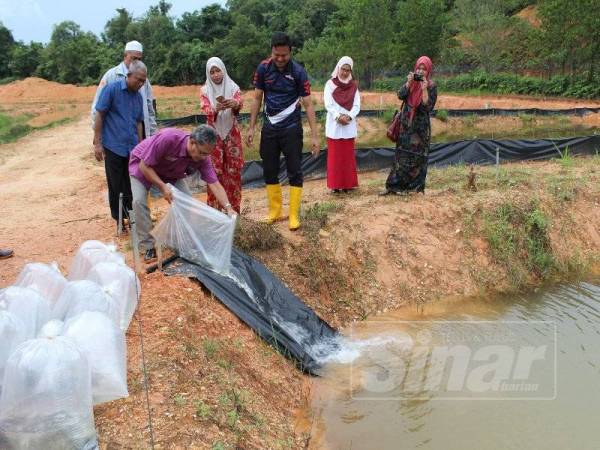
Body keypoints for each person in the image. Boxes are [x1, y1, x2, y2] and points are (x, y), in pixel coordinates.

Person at [246, 32, 320, 231]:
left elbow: (308, 104)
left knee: (295, 170)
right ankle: (275, 211)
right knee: (269, 169)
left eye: (284, 55)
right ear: (271, 51)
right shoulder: (263, 69)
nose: (279, 59)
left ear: (290, 52)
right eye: (276, 55)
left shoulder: (298, 72)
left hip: (291, 129)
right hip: (270, 128)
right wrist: (252, 127)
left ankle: (294, 215)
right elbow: (256, 98)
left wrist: (314, 135)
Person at [129, 125, 236, 262]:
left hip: (171, 173)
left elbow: (214, 183)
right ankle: (147, 245)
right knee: (139, 202)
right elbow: (144, 166)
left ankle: (178, 239)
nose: (204, 157)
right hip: (143, 165)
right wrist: (162, 187)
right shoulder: (168, 139)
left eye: (207, 154)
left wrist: (228, 207)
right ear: (192, 142)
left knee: (187, 203)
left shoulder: (203, 158)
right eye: (202, 153)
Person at [93, 60, 147, 229]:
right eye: (138, 79)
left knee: (131, 184)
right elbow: (100, 115)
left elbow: (139, 123)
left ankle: (131, 218)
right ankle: (119, 220)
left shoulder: (138, 97)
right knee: (115, 184)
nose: (141, 83)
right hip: (113, 145)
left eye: (143, 81)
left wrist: (140, 147)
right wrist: (98, 143)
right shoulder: (111, 90)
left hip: (131, 148)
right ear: (128, 75)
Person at [382, 56, 437, 195]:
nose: (421, 71)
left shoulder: (431, 86)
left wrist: (424, 89)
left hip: (420, 129)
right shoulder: (411, 83)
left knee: (418, 158)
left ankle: (415, 189)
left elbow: (428, 107)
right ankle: (394, 187)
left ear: (428, 70)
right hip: (406, 125)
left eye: (424, 69)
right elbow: (400, 95)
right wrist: (408, 82)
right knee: (401, 156)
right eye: (419, 68)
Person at [200, 57, 244, 214]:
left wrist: (235, 104)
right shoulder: (205, 91)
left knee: (233, 173)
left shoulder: (233, 87)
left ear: (223, 70)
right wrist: (215, 109)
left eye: (218, 70)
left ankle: (234, 211)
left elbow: (240, 102)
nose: (216, 75)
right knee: (213, 173)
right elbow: (206, 110)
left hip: (231, 134)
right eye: (212, 72)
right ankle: (215, 213)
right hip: (212, 138)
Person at [91, 40, 157, 138]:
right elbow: (97, 109)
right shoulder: (111, 76)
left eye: (139, 59)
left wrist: (152, 134)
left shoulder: (145, 80)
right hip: (114, 137)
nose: (137, 62)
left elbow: (149, 108)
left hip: (138, 135)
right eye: (134, 58)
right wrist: (99, 137)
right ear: (125, 55)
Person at [324, 56, 360, 193]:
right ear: (338, 68)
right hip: (334, 126)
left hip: (348, 126)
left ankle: (348, 185)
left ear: (351, 71)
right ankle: (335, 186)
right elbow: (328, 104)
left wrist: (349, 117)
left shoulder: (354, 86)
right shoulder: (330, 84)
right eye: (343, 69)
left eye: (348, 70)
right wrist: (338, 116)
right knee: (335, 158)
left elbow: (357, 105)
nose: (345, 72)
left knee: (347, 157)